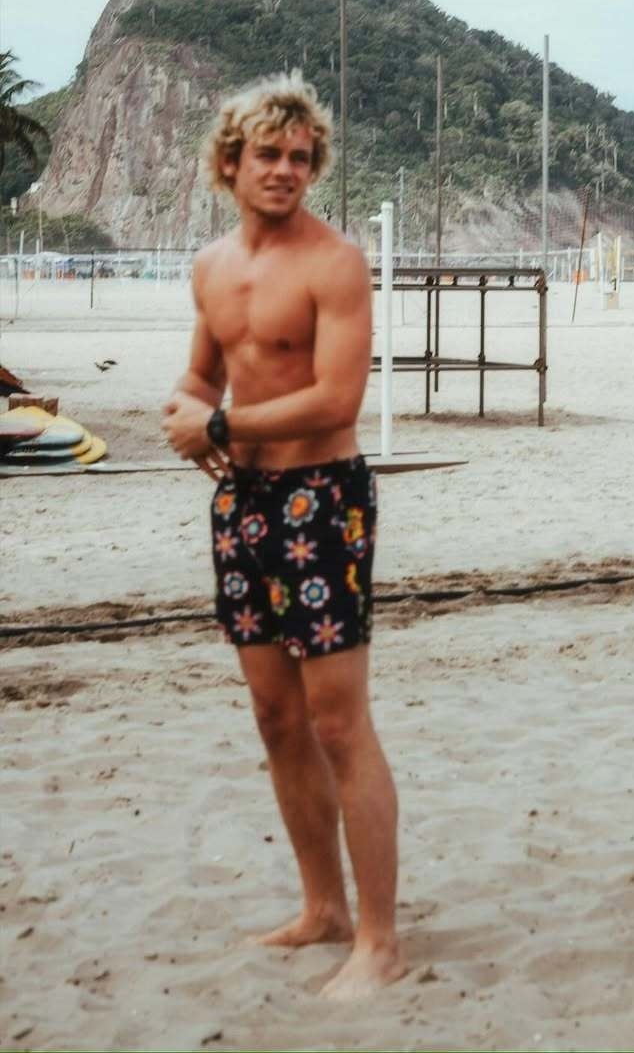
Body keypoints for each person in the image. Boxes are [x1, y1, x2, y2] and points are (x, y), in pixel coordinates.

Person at [162, 72, 405, 1000]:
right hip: (244, 503)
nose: (286, 170)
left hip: (321, 504)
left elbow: (337, 399)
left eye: (301, 158)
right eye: (268, 154)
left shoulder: (334, 264)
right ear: (230, 162)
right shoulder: (211, 267)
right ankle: (323, 909)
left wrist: (219, 426)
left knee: (339, 722)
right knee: (276, 718)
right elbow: (203, 374)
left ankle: (379, 941)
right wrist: (187, 412)